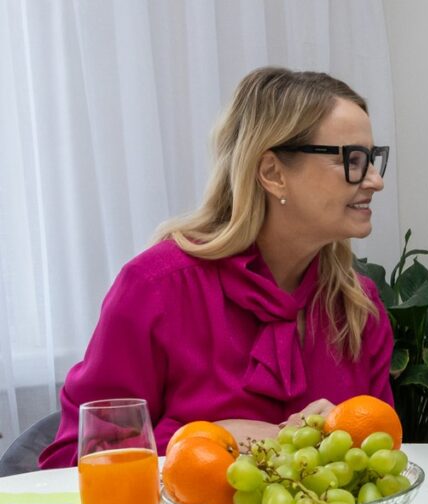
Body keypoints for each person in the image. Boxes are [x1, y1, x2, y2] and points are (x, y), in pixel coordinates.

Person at [40, 67, 394, 467]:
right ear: (273, 173)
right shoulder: (155, 288)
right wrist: (208, 438)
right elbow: (72, 461)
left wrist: (346, 439)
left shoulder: (358, 307)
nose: (375, 181)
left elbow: (384, 463)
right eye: (353, 160)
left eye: (373, 160)